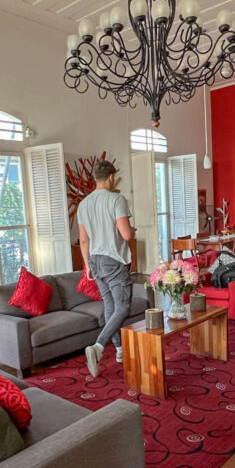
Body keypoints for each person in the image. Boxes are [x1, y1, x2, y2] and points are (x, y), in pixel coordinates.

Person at [77, 160, 135, 377]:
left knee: (110, 306)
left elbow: (84, 239)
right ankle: (98, 347)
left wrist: (87, 265)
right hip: (114, 260)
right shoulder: (117, 199)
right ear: (111, 177)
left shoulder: (84, 204)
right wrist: (133, 230)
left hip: (95, 260)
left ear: (95, 178)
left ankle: (120, 351)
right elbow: (127, 235)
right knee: (123, 307)